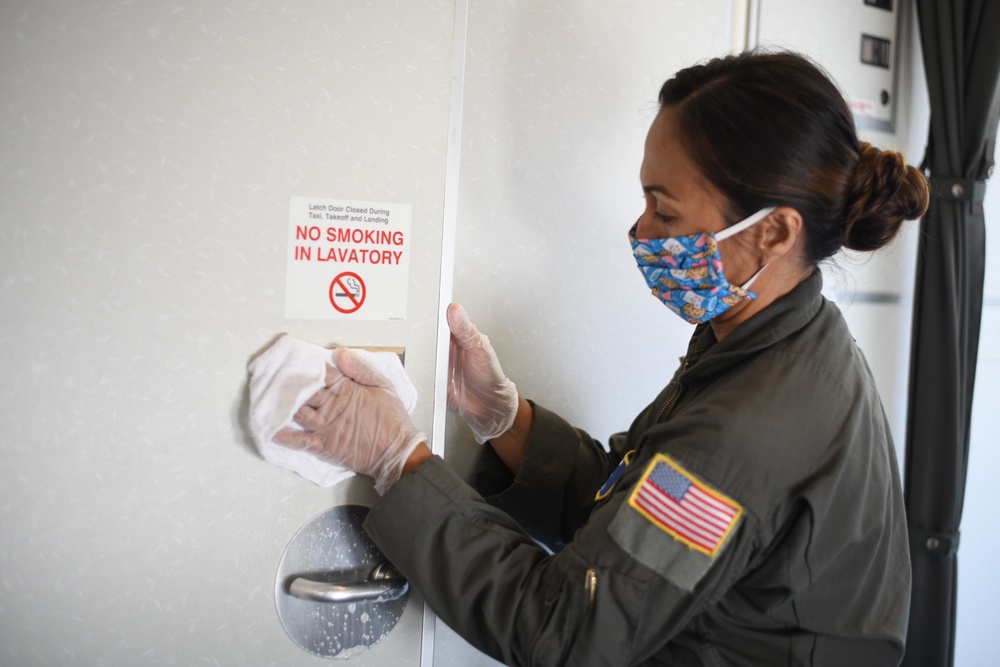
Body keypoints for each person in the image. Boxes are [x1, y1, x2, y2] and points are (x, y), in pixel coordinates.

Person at [269, 51, 929, 666]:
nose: (641, 231)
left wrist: (397, 460)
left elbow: (564, 626)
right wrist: (507, 420)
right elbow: (637, 514)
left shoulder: (750, 430)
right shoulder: (781, 338)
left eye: (662, 209)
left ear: (773, 232)